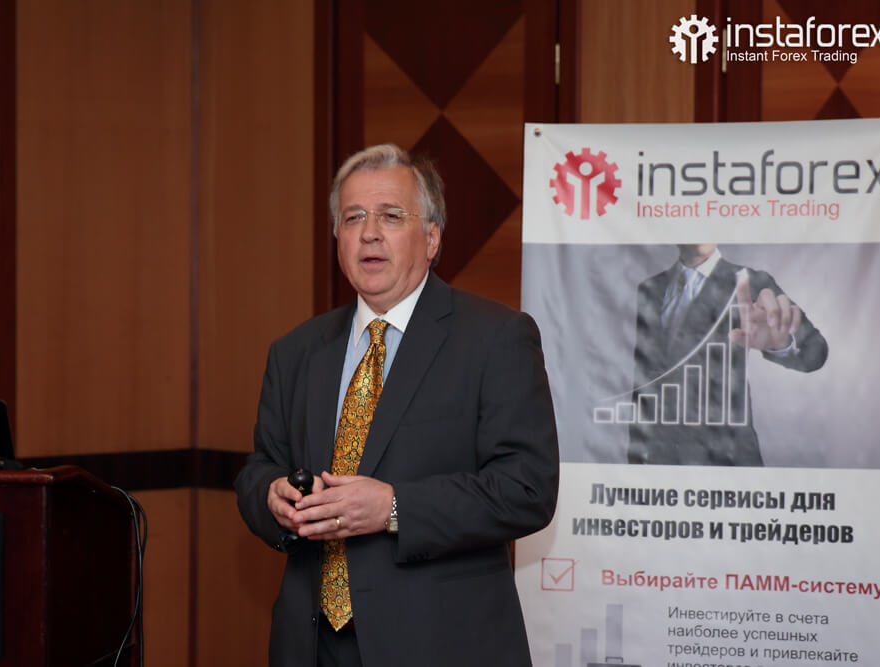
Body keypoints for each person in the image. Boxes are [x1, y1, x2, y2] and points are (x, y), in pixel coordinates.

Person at [234, 144, 559, 666]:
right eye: (353, 217)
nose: (369, 233)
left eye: (390, 216)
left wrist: (393, 508)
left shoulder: (496, 338)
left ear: (431, 238)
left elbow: (527, 489)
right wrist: (272, 497)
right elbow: (259, 468)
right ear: (337, 237)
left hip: (439, 643)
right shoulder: (296, 351)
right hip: (313, 645)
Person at [628, 243, 828, 465]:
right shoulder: (651, 288)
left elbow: (814, 351)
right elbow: (643, 379)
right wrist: (636, 457)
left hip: (727, 457)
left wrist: (780, 344)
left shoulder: (749, 281)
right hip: (661, 457)